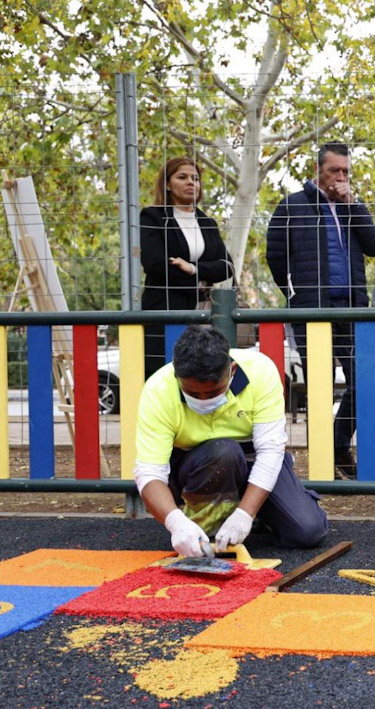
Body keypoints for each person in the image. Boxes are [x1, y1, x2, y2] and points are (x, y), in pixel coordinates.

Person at [133, 326, 329, 556]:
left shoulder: (261, 372)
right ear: (177, 376)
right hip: (194, 466)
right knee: (223, 452)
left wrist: (245, 514)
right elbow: (149, 472)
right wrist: (176, 523)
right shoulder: (158, 389)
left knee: (307, 531)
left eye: (214, 391)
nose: (203, 400)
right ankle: (203, 524)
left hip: (252, 457)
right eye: (193, 394)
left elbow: (270, 451)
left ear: (232, 370)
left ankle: (254, 511)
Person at [266, 142, 375, 480]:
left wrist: (355, 204)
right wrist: (294, 295)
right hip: (312, 311)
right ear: (318, 170)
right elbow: (275, 257)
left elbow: (374, 247)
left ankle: (337, 445)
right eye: (335, 171)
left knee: (364, 380)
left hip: (352, 309)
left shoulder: (352, 207)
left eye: (346, 171)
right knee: (320, 385)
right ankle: (321, 469)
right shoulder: (292, 206)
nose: (341, 178)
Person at [140, 157, 234, 378]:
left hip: (204, 313)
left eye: (196, 178)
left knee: (203, 374)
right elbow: (155, 265)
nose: (191, 183)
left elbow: (227, 266)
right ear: (167, 184)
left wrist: (193, 269)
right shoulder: (152, 217)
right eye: (182, 177)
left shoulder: (207, 223)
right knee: (162, 374)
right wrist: (202, 277)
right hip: (163, 309)